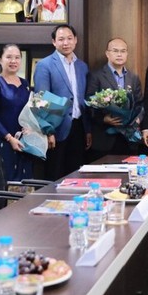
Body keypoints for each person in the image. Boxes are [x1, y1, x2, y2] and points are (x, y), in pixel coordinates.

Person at [33, 24, 92, 180]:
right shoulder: (44, 65)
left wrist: (87, 129)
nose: (65, 43)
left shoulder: (82, 66)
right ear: (54, 42)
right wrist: (49, 131)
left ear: (75, 40)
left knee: (76, 175)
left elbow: (82, 99)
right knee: (55, 175)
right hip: (57, 128)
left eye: (69, 38)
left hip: (78, 127)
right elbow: (41, 100)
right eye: (61, 39)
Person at [86, 37, 143, 161]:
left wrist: (136, 121)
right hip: (104, 136)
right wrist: (103, 119)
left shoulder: (133, 78)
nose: (119, 54)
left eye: (123, 51)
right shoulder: (96, 76)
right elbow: (89, 103)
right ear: (107, 53)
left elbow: (139, 104)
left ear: (127, 54)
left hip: (128, 137)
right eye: (115, 51)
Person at [0, 44, 33, 181]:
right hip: (3, 142)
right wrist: (9, 138)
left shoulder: (24, 83)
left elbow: (28, 111)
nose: (13, 61)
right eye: (9, 57)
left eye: (17, 57)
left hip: (23, 142)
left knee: (25, 182)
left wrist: (30, 127)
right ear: (0, 59)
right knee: (7, 181)